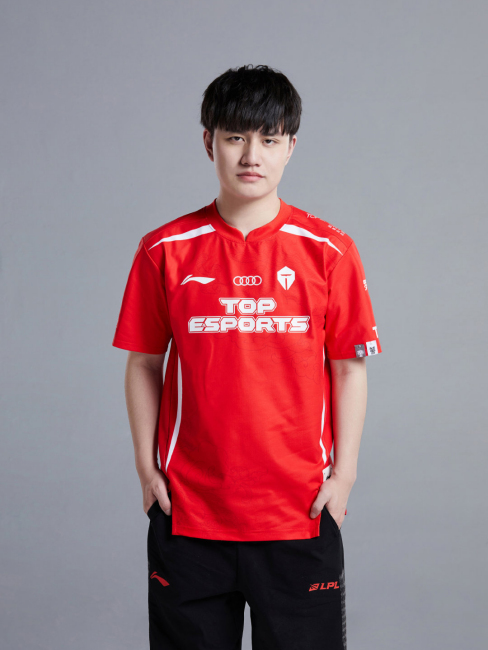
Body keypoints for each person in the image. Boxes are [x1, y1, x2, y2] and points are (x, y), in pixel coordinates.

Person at [112, 63, 382, 650]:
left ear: (291, 148)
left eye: (269, 139)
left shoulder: (330, 251)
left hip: (300, 513)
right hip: (189, 515)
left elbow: (349, 367)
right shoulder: (164, 250)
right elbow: (143, 363)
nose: (251, 155)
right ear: (208, 141)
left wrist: (345, 476)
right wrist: (145, 468)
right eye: (235, 137)